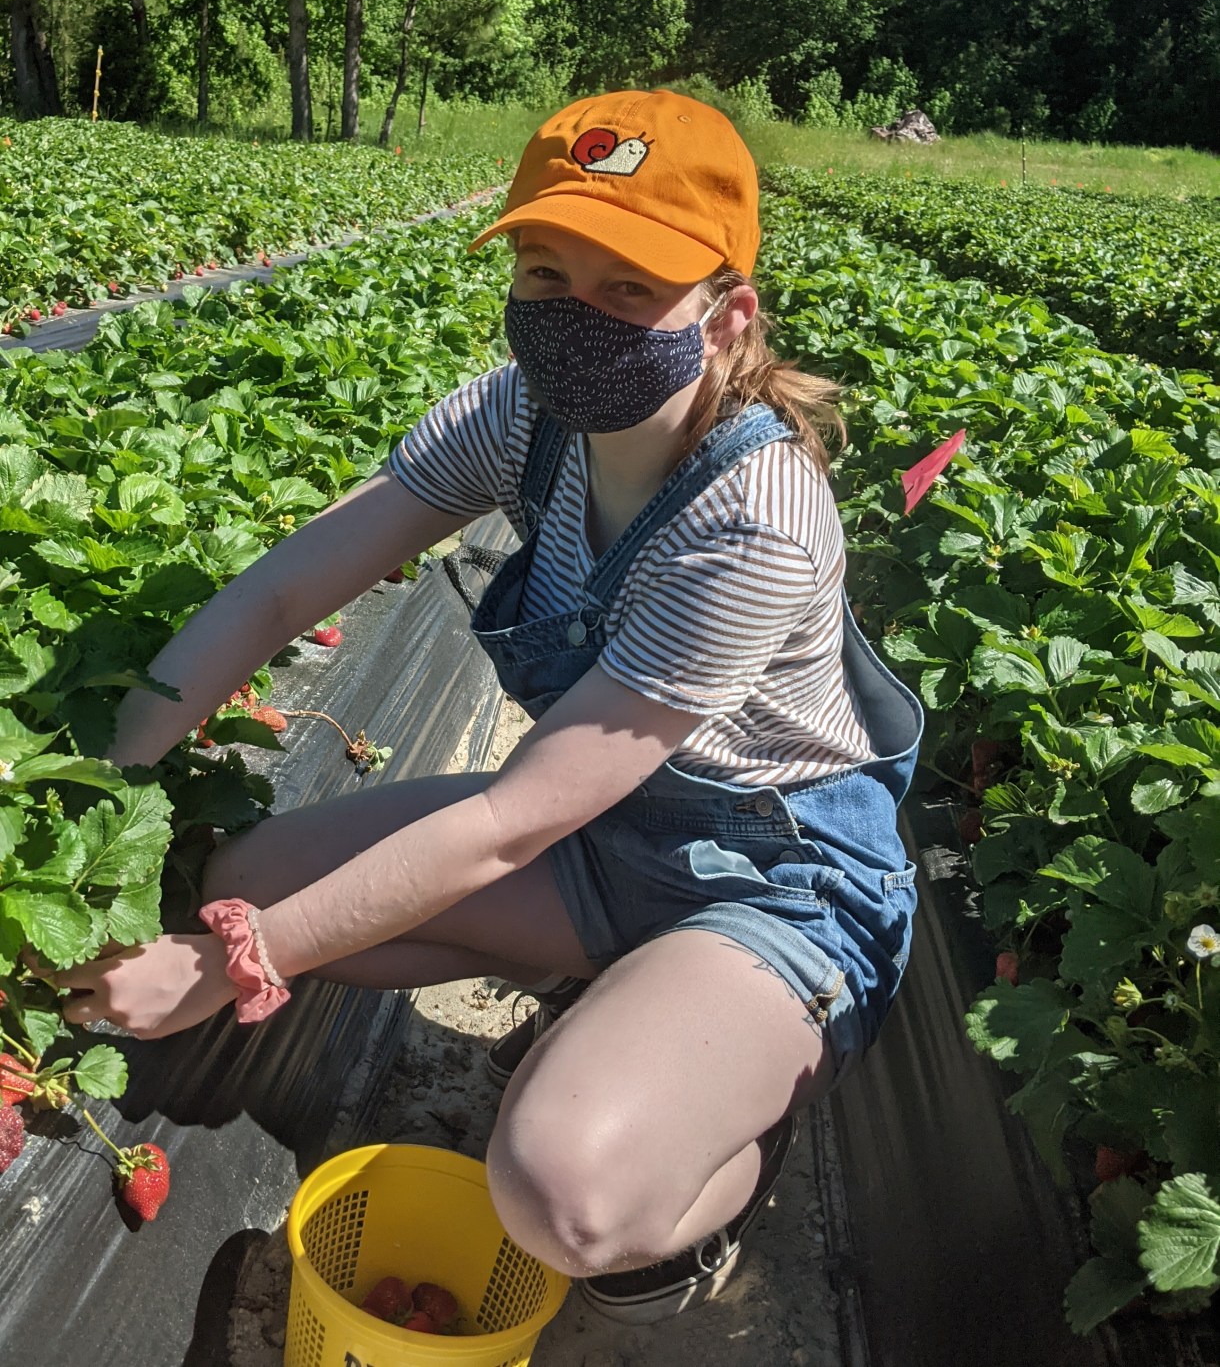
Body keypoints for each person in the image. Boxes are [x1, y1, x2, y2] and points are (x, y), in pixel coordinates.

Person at [49, 90, 922, 1324]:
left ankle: (707, 1164)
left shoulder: (753, 518)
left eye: (630, 289)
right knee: (242, 872)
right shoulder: (520, 420)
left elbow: (511, 819)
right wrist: (107, 798)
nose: (576, 316)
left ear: (724, 316)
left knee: (559, 1190)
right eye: (547, 269)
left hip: (773, 885)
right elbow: (281, 589)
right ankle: (626, 1001)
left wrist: (225, 964)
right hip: (606, 845)